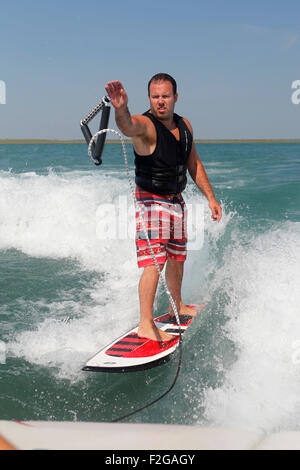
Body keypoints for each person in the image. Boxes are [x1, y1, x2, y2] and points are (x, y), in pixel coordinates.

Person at [105, 73, 222, 342]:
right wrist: (121, 110)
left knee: (178, 256)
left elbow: (194, 164)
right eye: (155, 97)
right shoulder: (145, 125)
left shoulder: (185, 126)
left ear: (175, 98)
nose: (160, 102)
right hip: (150, 201)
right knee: (154, 261)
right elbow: (127, 126)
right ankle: (145, 323)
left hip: (176, 201)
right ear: (149, 99)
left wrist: (211, 198)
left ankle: (176, 306)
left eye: (165, 96)